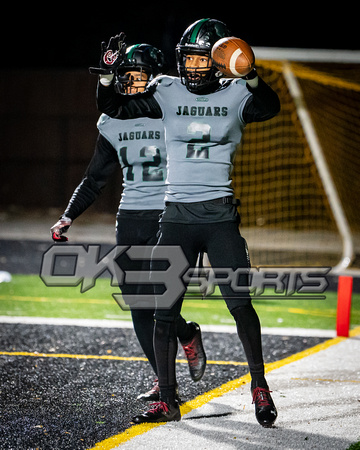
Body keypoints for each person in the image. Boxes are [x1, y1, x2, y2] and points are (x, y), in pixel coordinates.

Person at [96, 19, 281, 427]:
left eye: (202, 58)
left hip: (219, 218)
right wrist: (108, 76)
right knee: (163, 313)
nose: (193, 66)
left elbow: (270, 107)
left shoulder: (237, 93)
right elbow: (113, 107)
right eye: (189, 58)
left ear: (218, 59)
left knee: (240, 304)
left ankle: (259, 386)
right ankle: (167, 399)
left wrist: (250, 75)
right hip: (176, 217)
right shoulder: (166, 89)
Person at [50, 41, 207, 402]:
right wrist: (68, 215)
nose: (132, 82)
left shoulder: (172, 109)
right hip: (131, 215)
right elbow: (95, 178)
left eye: (138, 76)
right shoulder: (112, 120)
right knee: (137, 303)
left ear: (154, 78)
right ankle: (166, 373)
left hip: (171, 213)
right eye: (127, 76)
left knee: (158, 297)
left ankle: (181, 342)